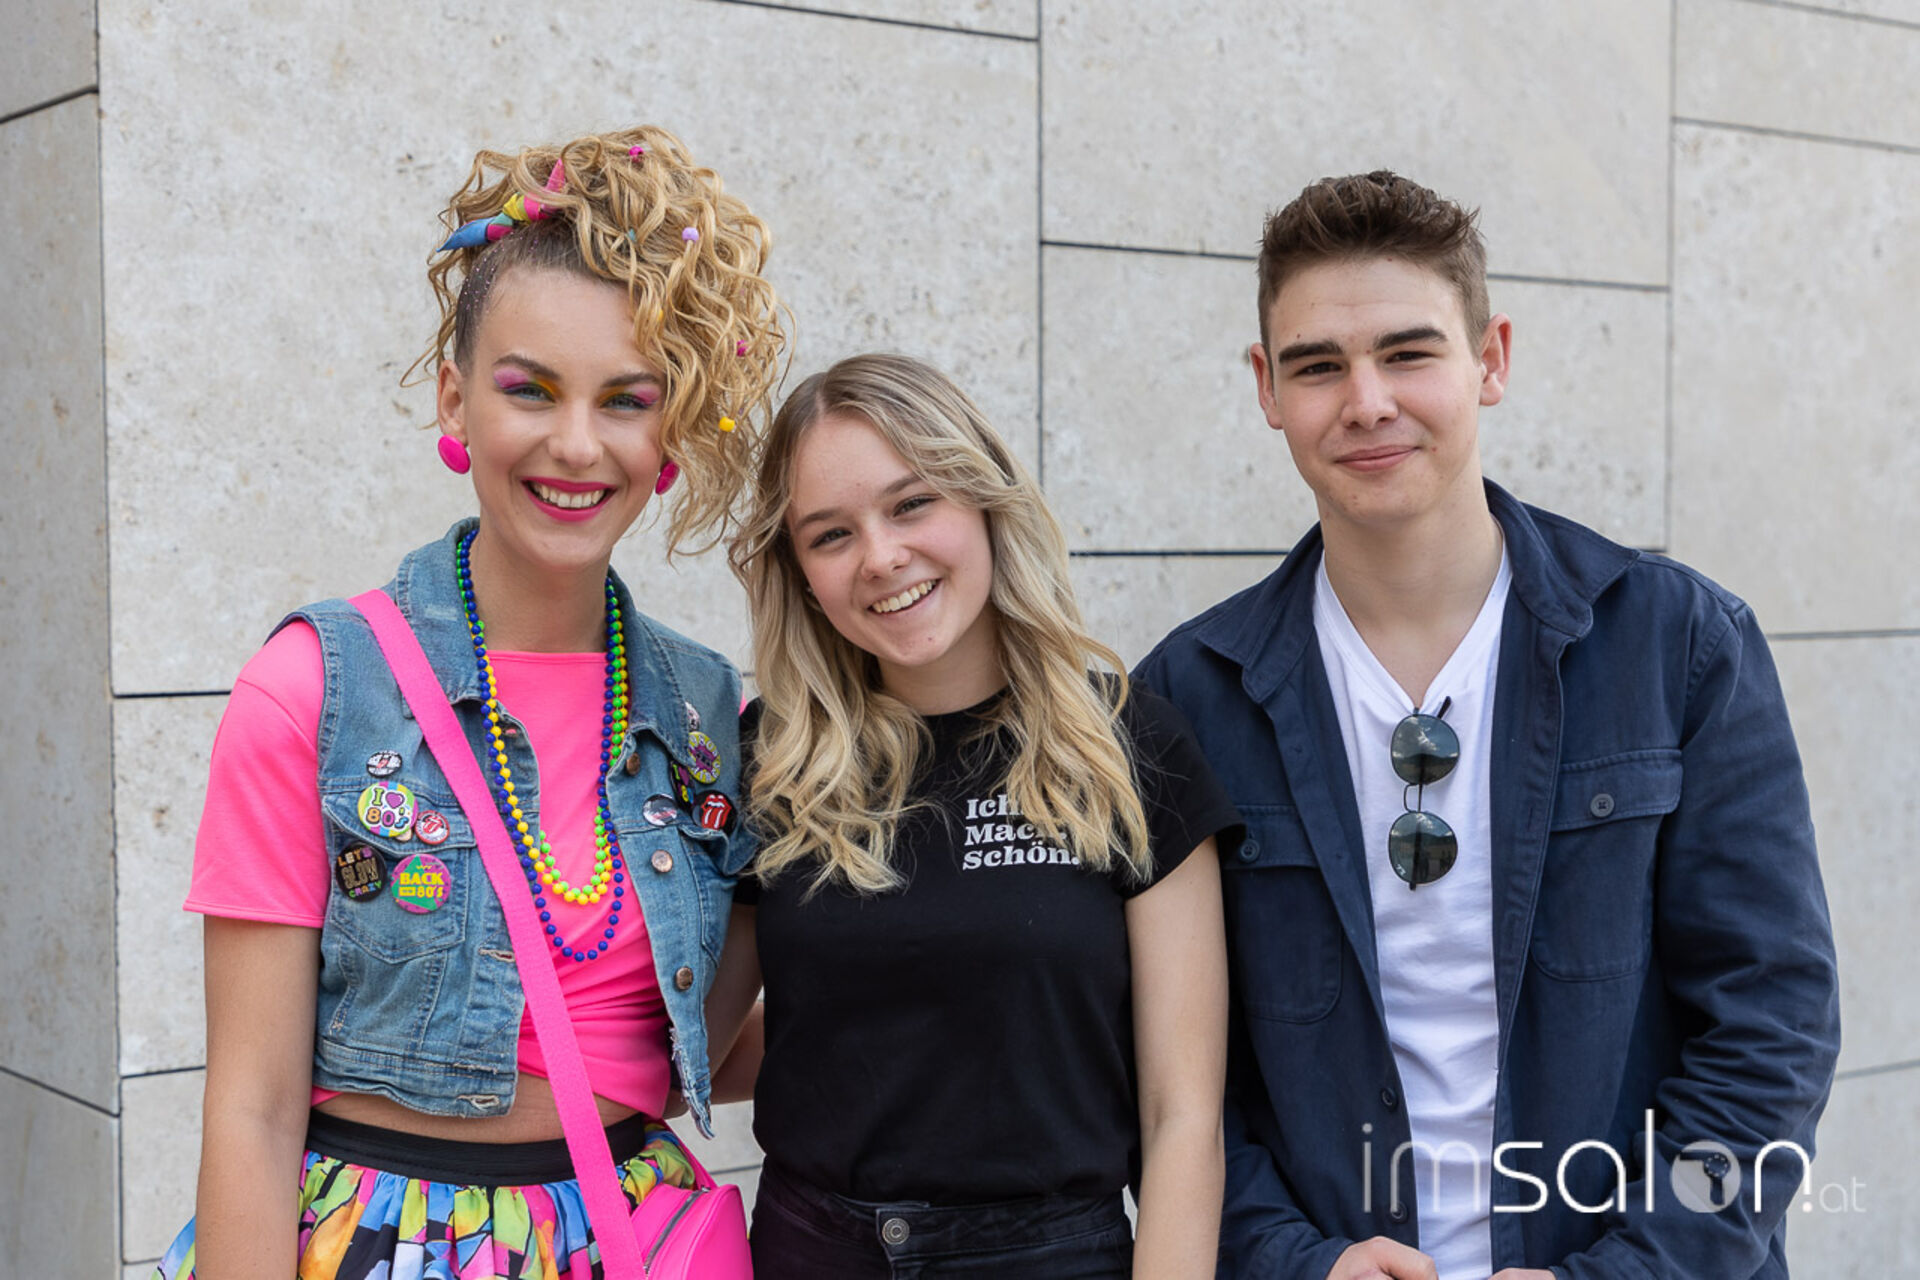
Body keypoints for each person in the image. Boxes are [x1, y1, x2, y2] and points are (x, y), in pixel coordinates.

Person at [1135, 171, 1841, 1280]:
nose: (1368, 401)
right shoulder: (1190, 694)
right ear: (1268, 388)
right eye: (1319, 366)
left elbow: (1771, 1032)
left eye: (1408, 353)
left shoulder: (1678, 647)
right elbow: (1173, 1080)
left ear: (1490, 359)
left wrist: (1627, 1272)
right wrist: (1296, 1263)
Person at [150, 125, 785, 1279]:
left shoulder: (708, 712)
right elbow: (250, 1106)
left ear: (669, 430)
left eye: (627, 399)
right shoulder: (314, 690)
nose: (576, 443)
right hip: (375, 1243)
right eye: (528, 389)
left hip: (633, 1236)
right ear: (455, 399)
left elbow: (703, 1042)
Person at [709, 353, 1239, 1278]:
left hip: (1051, 1259)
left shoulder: (1127, 747)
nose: (881, 557)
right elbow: (688, 1055)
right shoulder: (775, 761)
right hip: (811, 1252)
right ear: (801, 574)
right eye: (831, 535)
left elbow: (1182, 1118)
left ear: (987, 501)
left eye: (912, 504)